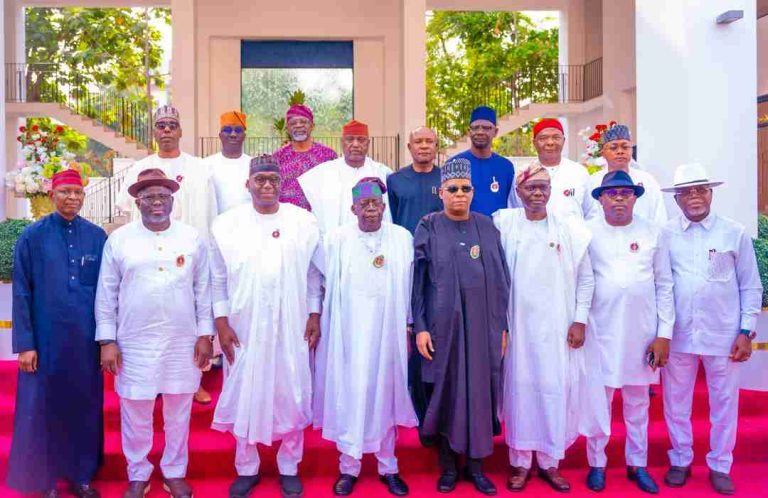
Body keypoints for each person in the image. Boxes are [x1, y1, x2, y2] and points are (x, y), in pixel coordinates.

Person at [209, 155, 323, 498]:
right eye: (260, 180)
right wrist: (221, 322)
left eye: (274, 179)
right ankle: (247, 467)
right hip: (244, 324)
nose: (268, 185)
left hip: (292, 322)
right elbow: (216, 278)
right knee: (246, 388)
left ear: (282, 183)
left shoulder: (303, 221)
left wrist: (315, 314)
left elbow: (313, 274)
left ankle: (289, 465)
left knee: (292, 388)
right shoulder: (226, 225)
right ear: (248, 185)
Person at [96, 169, 214, 498]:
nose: (157, 202)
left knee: (179, 410)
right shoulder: (119, 240)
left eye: (163, 196)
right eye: (149, 197)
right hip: (134, 340)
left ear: (173, 200)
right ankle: (139, 473)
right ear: (138, 202)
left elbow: (203, 289)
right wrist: (107, 340)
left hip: (182, 339)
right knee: (135, 409)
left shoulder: (191, 238)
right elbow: (106, 293)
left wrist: (205, 333)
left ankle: (174, 472)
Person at [494, 162, 608, 493]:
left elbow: (586, 278)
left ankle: (549, 463)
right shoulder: (504, 224)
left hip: (559, 327)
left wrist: (580, 319)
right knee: (519, 391)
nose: (538, 193)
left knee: (555, 390)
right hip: (517, 329)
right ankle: (519, 462)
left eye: (544, 187)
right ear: (519, 192)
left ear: (551, 192)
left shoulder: (568, 229)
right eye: (531, 187)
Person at [660, 163, 762, 495]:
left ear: (711, 194)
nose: (694, 197)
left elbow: (750, 286)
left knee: (724, 403)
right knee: (676, 402)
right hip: (679, 336)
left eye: (700, 190)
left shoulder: (734, 233)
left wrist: (746, 331)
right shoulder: (665, 235)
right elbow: (661, 286)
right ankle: (680, 459)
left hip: (724, 334)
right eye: (686, 192)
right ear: (676, 199)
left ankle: (720, 464)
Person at [412, 158, 510, 496]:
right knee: (447, 391)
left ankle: (478, 467)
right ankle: (450, 467)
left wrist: (503, 328)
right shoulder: (428, 225)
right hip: (443, 329)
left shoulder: (487, 226)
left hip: (483, 327)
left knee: (481, 393)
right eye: (452, 189)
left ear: (473, 192)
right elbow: (419, 282)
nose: (459, 195)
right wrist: (421, 326)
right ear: (441, 192)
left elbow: (501, 282)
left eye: (465, 189)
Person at [7, 169, 106, 498]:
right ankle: (45, 480)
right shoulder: (32, 236)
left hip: (85, 342)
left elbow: (107, 292)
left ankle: (81, 476)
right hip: (45, 342)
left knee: (83, 405)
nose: (73, 199)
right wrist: (25, 344)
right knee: (43, 409)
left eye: (78, 193)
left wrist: (107, 340)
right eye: (66, 192)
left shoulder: (97, 237)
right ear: (52, 195)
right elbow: (21, 291)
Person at [316, 178, 417, 497]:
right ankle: (349, 467)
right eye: (364, 204)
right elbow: (320, 284)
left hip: (389, 331)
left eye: (376, 204)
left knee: (385, 394)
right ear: (353, 208)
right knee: (352, 394)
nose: (371, 209)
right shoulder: (336, 239)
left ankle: (389, 466)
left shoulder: (402, 237)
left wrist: (410, 325)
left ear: (384, 207)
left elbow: (413, 283)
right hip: (349, 332)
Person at [584, 170, 674, 494]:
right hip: (600, 332)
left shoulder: (653, 233)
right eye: (612, 193)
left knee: (638, 404)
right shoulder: (587, 233)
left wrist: (664, 334)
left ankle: (638, 464)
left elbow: (664, 285)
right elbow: (582, 282)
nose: (619, 198)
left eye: (625, 192)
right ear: (601, 198)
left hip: (642, 333)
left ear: (635, 196)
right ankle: (597, 464)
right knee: (600, 403)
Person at [116, 105, 211, 238]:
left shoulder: (199, 168)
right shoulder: (139, 168)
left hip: (190, 245)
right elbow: (125, 206)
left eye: (173, 125)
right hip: (149, 244)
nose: (167, 129)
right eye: (161, 126)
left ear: (180, 132)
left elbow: (210, 211)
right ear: (153, 133)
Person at [298, 119, 392, 233]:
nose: (356, 144)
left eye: (361, 140)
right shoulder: (323, 173)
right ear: (342, 142)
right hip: (338, 243)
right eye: (350, 139)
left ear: (368, 143)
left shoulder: (382, 172)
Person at [584, 123, 667, 225]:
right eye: (613, 148)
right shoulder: (592, 182)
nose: (620, 152)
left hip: (642, 238)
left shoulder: (647, 180)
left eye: (625, 147)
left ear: (631, 150)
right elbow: (587, 217)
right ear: (603, 153)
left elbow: (659, 216)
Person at [449, 106, 516, 216]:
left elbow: (511, 203)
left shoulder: (506, 167)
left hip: (496, 230)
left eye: (486, 128)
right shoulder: (455, 164)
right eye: (475, 128)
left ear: (495, 132)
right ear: (469, 131)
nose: (480, 132)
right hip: (464, 230)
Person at [273, 104, 338, 210]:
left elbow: (334, 189)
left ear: (312, 126)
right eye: (293, 123)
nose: (298, 125)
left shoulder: (328, 156)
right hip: (287, 218)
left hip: (319, 216)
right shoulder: (277, 157)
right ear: (287, 129)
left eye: (303, 122)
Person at [527, 118, 590, 220]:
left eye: (556, 137)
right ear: (534, 142)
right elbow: (517, 210)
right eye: (543, 138)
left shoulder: (579, 172)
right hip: (536, 235)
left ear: (563, 141)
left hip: (573, 235)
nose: (550, 142)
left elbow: (591, 212)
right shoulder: (525, 174)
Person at [386, 126, 443, 235]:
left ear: (436, 146)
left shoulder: (446, 180)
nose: (424, 146)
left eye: (429, 141)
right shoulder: (395, 180)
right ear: (409, 147)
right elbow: (390, 219)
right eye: (418, 142)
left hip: (438, 246)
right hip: (406, 245)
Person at [203, 110, 252, 217]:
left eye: (238, 130)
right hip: (215, 227)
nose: (233, 134)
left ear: (244, 136)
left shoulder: (253, 165)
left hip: (248, 226)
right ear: (220, 135)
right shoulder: (205, 165)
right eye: (228, 130)